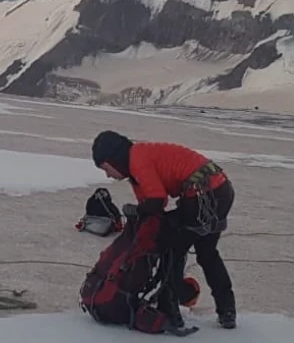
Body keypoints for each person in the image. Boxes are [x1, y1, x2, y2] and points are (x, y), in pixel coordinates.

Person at [91, 131, 237, 329]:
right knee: (207, 253)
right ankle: (227, 309)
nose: (109, 175)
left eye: (107, 169)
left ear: (115, 159)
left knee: (171, 246)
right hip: (219, 190)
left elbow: (157, 200)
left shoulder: (137, 159)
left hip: (203, 196)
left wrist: (136, 211)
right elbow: (151, 205)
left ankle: (169, 308)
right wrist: (141, 211)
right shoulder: (138, 162)